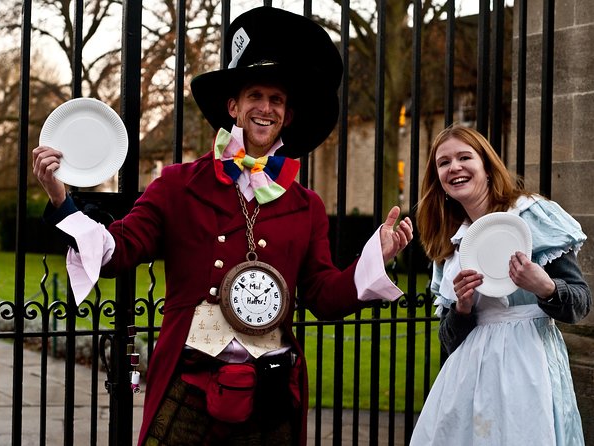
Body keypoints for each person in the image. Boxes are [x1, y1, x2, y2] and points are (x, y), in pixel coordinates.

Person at [33, 6, 413, 446]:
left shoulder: (307, 205)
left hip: (271, 392)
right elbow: (120, 250)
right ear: (233, 105)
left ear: (287, 115)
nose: (265, 108)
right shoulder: (176, 185)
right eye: (255, 96)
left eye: (276, 100)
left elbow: (324, 295)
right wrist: (62, 198)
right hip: (189, 384)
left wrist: (376, 258)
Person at [411, 124, 591, 445]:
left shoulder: (532, 215)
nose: (455, 167)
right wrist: (462, 309)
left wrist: (545, 286)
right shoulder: (451, 241)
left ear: (487, 166)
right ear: (438, 178)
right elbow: (449, 341)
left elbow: (581, 304)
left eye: (465, 157)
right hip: (468, 380)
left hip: (530, 368)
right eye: (444, 162)